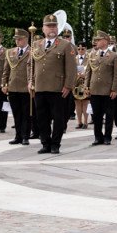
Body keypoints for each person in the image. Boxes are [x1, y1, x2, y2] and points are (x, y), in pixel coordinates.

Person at [28, 13, 77, 154]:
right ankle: (45, 143)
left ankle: (55, 144)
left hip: (57, 88)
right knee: (41, 118)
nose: (52, 29)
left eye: (54, 26)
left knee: (58, 118)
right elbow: (30, 65)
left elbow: (71, 68)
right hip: (40, 87)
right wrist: (30, 81)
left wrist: (68, 85)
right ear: (43, 29)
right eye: (48, 26)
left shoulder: (65, 45)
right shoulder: (36, 45)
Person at [1, 29, 32, 145]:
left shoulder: (32, 51)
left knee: (26, 114)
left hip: (26, 88)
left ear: (26, 39)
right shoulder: (10, 52)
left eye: (20, 39)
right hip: (13, 87)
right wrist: (4, 84)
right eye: (16, 39)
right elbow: (6, 70)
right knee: (16, 114)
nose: (17, 41)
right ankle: (18, 136)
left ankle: (25, 136)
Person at [84, 31, 116, 146]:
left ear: (105, 41)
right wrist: (86, 86)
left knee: (109, 115)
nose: (96, 42)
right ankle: (98, 137)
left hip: (107, 90)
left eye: (98, 40)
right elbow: (88, 71)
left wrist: (114, 89)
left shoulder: (113, 56)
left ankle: (107, 137)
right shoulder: (92, 55)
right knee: (96, 115)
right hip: (95, 89)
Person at [73, 44, 90, 129]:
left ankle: (86, 122)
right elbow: (71, 69)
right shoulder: (74, 58)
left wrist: (84, 75)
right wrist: (77, 75)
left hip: (85, 84)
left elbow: (91, 70)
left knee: (85, 104)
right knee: (77, 104)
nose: (80, 50)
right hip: (76, 84)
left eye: (82, 48)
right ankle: (79, 122)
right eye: (78, 49)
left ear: (85, 49)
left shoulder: (89, 58)